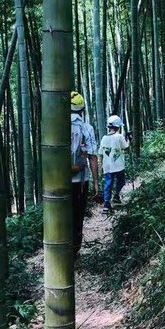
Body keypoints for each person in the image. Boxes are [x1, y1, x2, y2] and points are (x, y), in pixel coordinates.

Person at [71, 91, 98, 257]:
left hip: (55, 182)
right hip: (79, 182)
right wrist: (96, 183)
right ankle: (74, 252)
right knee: (77, 216)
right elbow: (93, 157)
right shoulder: (86, 128)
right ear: (82, 110)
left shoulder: (55, 128)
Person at [99, 115, 130, 213]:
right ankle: (116, 195)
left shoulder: (104, 138)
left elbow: (100, 153)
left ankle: (106, 204)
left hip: (107, 165)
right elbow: (125, 146)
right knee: (121, 181)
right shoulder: (119, 136)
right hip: (119, 165)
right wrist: (129, 139)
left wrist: (101, 165)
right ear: (117, 127)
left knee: (108, 184)